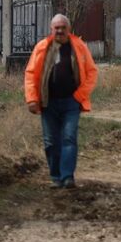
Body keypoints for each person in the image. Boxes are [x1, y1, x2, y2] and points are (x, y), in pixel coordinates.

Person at [25, 14, 98, 188]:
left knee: (68, 138)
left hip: (71, 102)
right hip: (48, 102)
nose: (60, 31)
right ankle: (56, 177)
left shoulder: (79, 47)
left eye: (63, 27)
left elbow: (92, 73)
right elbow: (31, 74)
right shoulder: (42, 47)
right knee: (51, 141)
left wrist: (79, 96)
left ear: (69, 29)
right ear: (51, 29)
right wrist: (32, 99)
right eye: (56, 28)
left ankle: (67, 176)